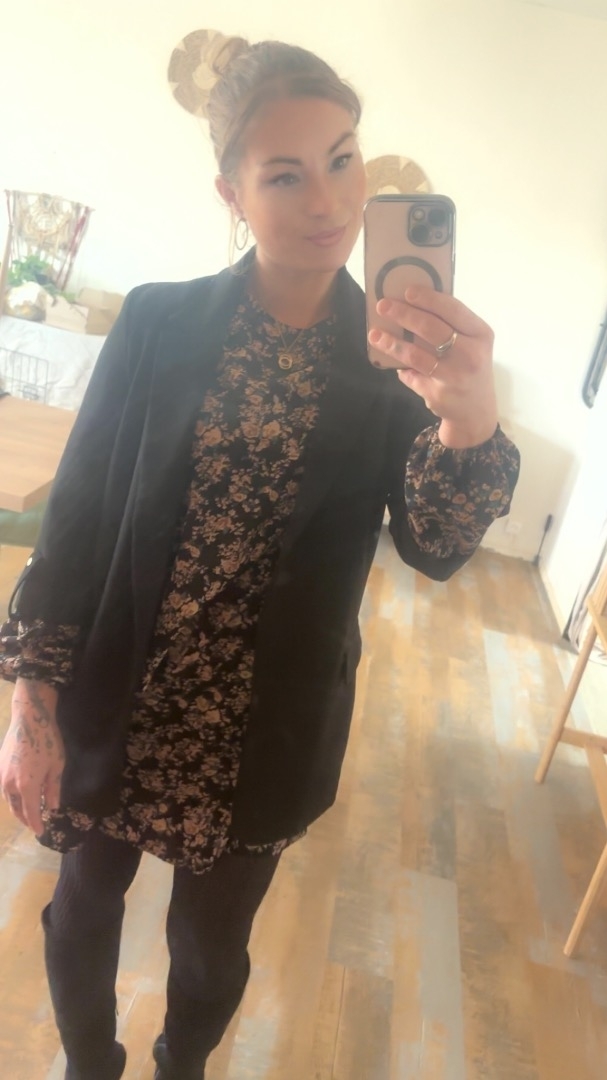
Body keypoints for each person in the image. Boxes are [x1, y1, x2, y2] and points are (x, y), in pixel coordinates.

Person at [0, 37, 519, 1080]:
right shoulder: (156, 321)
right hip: (119, 696)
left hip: (265, 727)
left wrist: (466, 421)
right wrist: (30, 704)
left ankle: (180, 1066)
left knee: (209, 949)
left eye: (341, 159)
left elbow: (432, 550)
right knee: (82, 907)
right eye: (284, 175)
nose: (327, 200)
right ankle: (90, 1064)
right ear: (231, 192)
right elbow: (77, 527)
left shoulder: (392, 365)